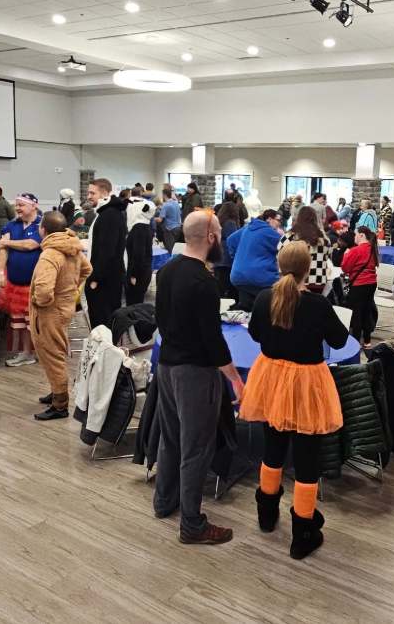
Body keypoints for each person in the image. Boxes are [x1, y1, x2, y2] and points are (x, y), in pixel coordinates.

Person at [241, 241, 348, 559]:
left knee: (272, 449)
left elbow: (255, 334)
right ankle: (302, 534)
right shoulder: (317, 305)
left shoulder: (264, 298)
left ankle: (266, 515)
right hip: (307, 384)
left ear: (278, 265)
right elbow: (340, 340)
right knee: (306, 459)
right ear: (308, 268)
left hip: (270, 379)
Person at [153, 210, 245, 545]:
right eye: (219, 233)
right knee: (197, 448)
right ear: (210, 237)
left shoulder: (167, 270)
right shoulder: (205, 282)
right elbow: (213, 340)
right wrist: (235, 379)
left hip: (166, 368)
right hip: (194, 374)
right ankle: (192, 523)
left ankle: (164, 501)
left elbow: (162, 320)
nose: (221, 239)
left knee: (171, 438)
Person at [30, 212, 93, 421]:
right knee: (56, 351)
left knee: (52, 355)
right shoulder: (72, 247)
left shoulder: (50, 254)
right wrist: (70, 289)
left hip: (50, 312)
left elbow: (43, 289)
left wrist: (40, 302)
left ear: (43, 230)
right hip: (65, 308)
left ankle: (60, 404)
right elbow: (87, 269)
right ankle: (56, 390)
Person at [0, 193, 44, 367]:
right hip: (15, 286)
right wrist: (0, 272)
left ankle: (46, 353)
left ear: (33, 206)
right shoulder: (11, 225)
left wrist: (8, 243)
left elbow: (31, 244)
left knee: (37, 322)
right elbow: (2, 249)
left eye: (21, 205)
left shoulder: (42, 225)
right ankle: (27, 353)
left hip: (36, 285)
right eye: (16, 205)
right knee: (21, 322)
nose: (17, 208)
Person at [84, 179, 129, 328]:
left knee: (102, 323)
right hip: (108, 277)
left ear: (104, 194)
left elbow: (108, 251)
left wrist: (96, 278)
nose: (89, 196)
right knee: (103, 320)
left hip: (106, 280)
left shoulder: (109, 215)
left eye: (92, 193)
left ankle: (104, 344)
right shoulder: (107, 212)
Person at [228, 210, 284, 311]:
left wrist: (237, 256)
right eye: (278, 220)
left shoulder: (247, 228)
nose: (279, 224)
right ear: (270, 219)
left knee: (246, 312)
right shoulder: (268, 232)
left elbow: (230, 240)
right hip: (260, 279)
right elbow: (288, 246)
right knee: (266, 312)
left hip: (239, 276)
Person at [341, 226, 379, 348]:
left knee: (356, 314)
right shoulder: (373, 248)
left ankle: (355, 343)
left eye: (356, 234)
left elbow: (345, 268)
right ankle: (367, 341)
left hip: (359, 284)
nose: (354, 237)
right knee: (366, 312)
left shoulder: (355, 250)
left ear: (362, 235)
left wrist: (346, 255)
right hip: (371, 283)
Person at [277, 206, 331, 293]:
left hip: (294, 279)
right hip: (318, 279)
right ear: (315, 219)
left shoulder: (290, 236)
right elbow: (329, 254)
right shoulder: (323, 237)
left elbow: (280, 254)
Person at [125, 194, 156, 306]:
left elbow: (139, 254)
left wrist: (134, 274)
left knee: (134, 305)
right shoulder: (144, 226)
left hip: (139, 274)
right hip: (143, 272)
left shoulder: (139, 228)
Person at [212, 202, 241, 300]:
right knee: (225, 287)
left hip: (218, 258)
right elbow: (233, 239)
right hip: (226, 259)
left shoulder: (220, 222)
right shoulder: (230, 223)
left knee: (219, 286)